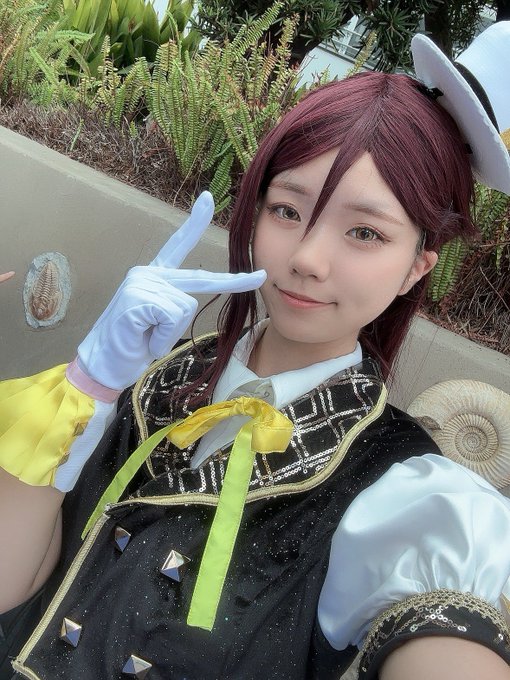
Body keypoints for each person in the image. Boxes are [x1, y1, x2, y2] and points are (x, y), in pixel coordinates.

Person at [1, 22, 510, 680]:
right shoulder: (150, 379)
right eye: (287, 211)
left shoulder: (404, 496)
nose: (307, 259)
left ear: (418, 266)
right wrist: (89, 386)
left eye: (364, 232)